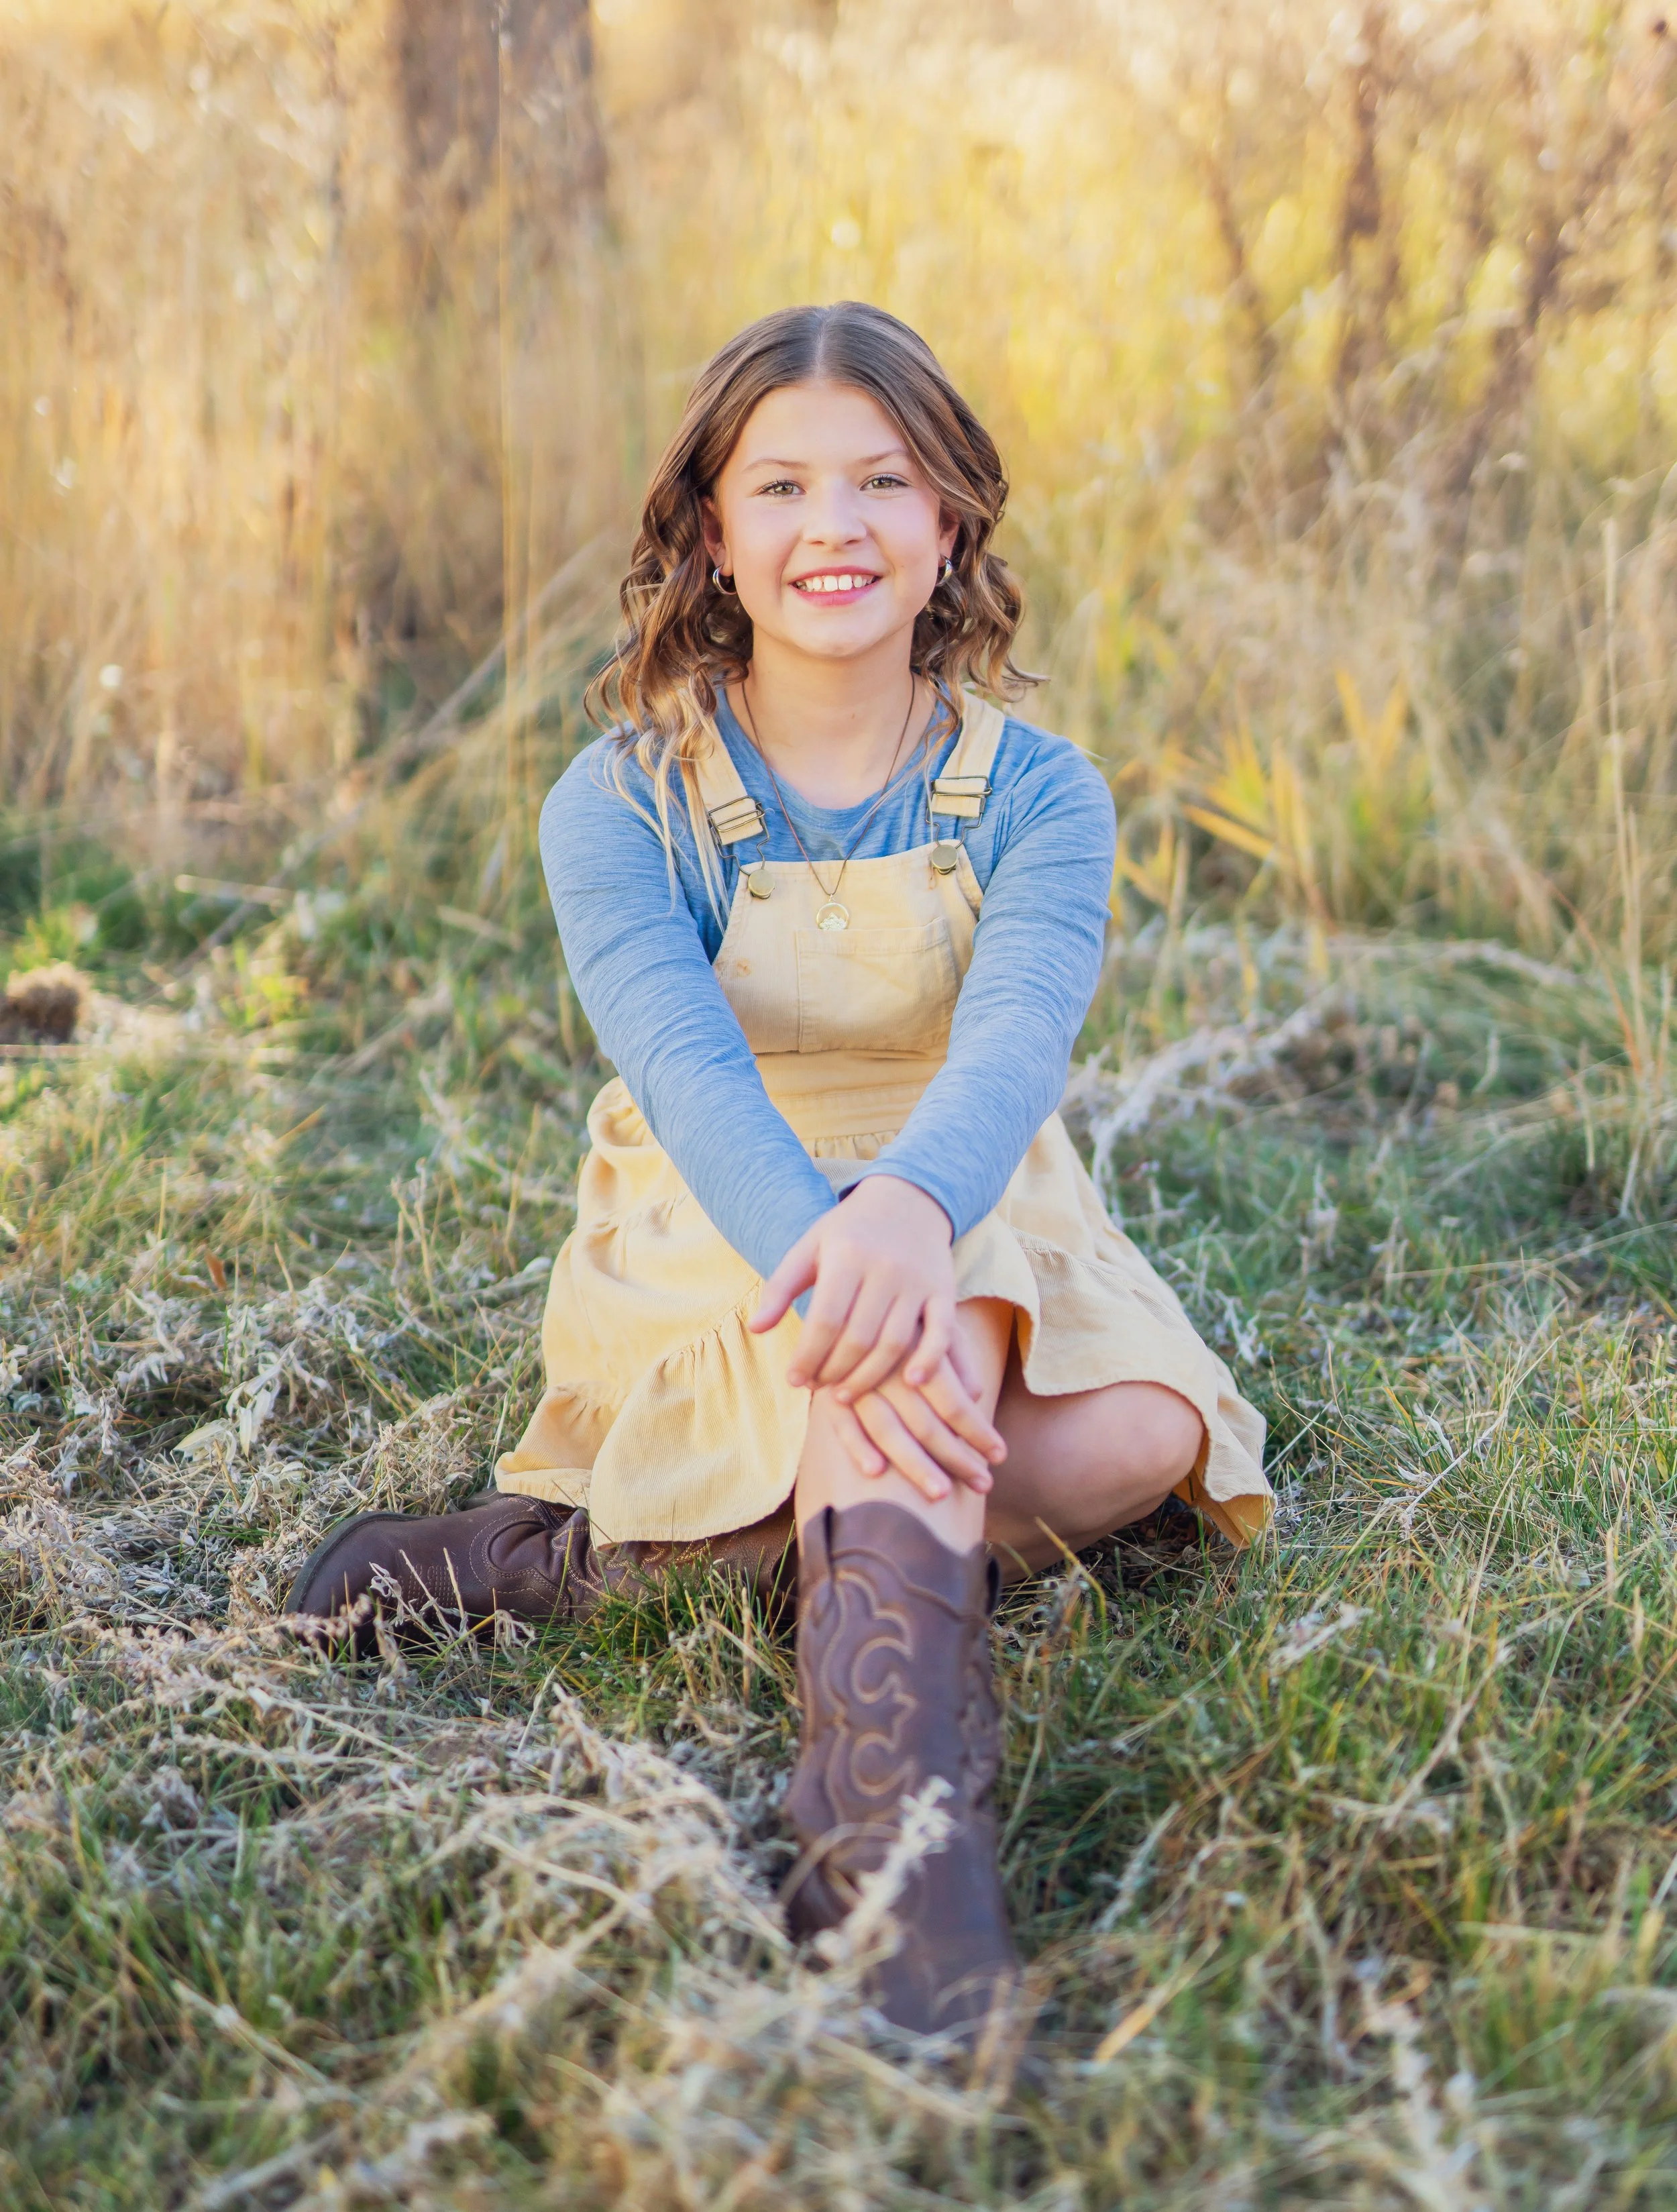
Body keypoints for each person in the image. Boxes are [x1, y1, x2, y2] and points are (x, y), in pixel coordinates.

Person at [287, 302, 1270, 2041]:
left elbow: (1014, 1045)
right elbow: (680, 1069)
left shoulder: (1038, 793)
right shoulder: (620, 801)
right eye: (786, 486)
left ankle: (558, 1564)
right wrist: (843, 1254)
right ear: (716, 533)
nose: (838, 527)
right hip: (718, 1192)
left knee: (1152, 1438)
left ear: (950, 519)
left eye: (885, 480)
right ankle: (885, 1842)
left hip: (965, 1171)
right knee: (930, 1334)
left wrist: (908, 1204)